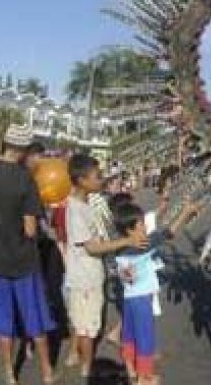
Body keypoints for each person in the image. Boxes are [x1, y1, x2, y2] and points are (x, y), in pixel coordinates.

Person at [0, 125, 57, 385]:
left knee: (4, 321)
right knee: (36, 320)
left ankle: (10, 373)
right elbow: (31, 229)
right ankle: (46, 372)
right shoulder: (24, 179)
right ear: (22, 150)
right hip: (22, 260)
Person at [63, 153, 148, 379]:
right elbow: (92, 248)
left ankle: (80, 361)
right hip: (86, 279)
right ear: (82, 180)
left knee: (83, 324)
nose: (101, 180)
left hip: (88, 276)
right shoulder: (77, 210)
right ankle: (87, 369)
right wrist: (128, 241)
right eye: (97, 176)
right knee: (89, 330)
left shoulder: (84, 204)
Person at [113, 203, 161, 385]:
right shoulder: (144, 245)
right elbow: (169, 232)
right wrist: (186, 213)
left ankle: (130, 369)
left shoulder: (119, 248)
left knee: (129, 334)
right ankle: (144, 378)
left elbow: (122, 273)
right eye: (141, 224)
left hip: (129, 298)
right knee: (145, 339)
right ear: (129, 230)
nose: (145, 226)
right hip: (142, 300)